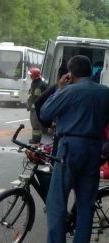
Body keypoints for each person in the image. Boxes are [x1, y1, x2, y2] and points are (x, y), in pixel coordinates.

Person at [40, 55, 109, 243]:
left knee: (57, 202)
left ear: (71, 73)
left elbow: (45, 112)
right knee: (86, 204)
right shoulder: (105, 92)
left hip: (70, 147)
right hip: (94, 149)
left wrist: (60, 88)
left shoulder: (69, 91)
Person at [27, 67, 47, 144]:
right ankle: (35, 138)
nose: (30, 76)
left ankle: (36, 139)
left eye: (31, 75)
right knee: (34, 123)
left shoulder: (41, 85)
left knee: (36, 124)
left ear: (34, 75)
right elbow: (32, 95)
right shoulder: (34, 83)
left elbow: (39, 97)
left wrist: (34, 106)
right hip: (33, 108)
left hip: (37, 108)